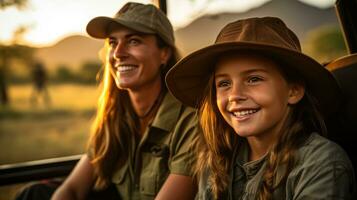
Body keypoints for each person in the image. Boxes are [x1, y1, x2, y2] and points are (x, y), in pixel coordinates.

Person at [16, 2, 199, 200]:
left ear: (164, 54)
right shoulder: (114, 116)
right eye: (112, 42)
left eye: (134, 41)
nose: (118, 53)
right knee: (34, 193)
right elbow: (72, 189)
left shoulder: (190, 120)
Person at [166, 17, 356, 199]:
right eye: (224, 83)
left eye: (254, 79)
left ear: (294, 91)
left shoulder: (321, 163)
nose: (234, 95)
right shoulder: (218, 161)